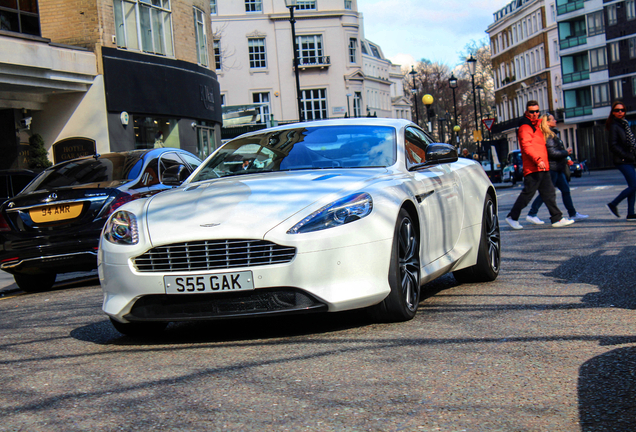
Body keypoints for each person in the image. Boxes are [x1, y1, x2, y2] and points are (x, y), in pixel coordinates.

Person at [505, 100, 574, 229]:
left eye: (537, 111)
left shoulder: (536, 126)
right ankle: (512, 217)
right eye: (532, 112)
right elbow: (526, 147)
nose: (535, 114)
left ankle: (557, 218)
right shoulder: (525, 127)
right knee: (528, 194)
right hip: (534, 167)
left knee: (549, 193)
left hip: (543, 166)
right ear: (527, 112)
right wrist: (538, 160)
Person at [525, 113, 588, 224]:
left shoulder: (552, 134)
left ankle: (572, 213)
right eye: (553, 119)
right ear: (547, 122)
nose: (555, 121)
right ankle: (532, 213)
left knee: (565, 190)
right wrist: (566, 152)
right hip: (552, 168)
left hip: (557, 168)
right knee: (547, 193)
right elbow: (552, 153)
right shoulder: (548, 136)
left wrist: (566, 158)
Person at [606, 101, 636, 221]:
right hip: (622, 160)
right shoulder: (614, 126)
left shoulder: (624, 124)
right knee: (634, 185)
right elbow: (613, 146)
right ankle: (613, 204)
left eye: (622, 110)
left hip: (629, 159)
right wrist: (627, 155)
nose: (620, 112)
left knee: (632, 186)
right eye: (617, 110)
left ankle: (630, 213)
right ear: (613, 113)